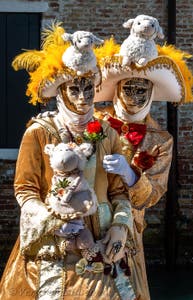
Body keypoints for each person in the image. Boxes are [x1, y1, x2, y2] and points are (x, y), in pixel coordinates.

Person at [0, 24, 138, 300]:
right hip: (55, 236)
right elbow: (25, 190)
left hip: (103, 238)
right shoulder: (39, 132)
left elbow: (118, 192)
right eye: (74, 89)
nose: (84, 98)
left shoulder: (107, 131)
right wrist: (59, 223)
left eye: (89, 88)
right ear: (60, 90)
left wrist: (121, 227)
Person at [93, 29, 193, 299]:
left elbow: (152, 196)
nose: (136, 95)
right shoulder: (94, 123)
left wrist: (131, 175)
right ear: (116, 88)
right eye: (129, 87)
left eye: (143, 89)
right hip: (86, 219)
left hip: (127, 231)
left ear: (152, 92)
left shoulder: (161, 140)